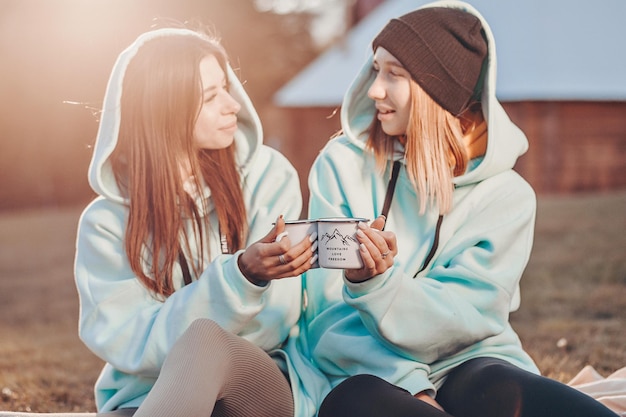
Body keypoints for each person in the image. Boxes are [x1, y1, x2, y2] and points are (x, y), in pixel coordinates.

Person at [298, 1, 620, 416]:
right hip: (361, 371)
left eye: (394, 74)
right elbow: (325, 314)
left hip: (466, 361)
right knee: (358, 399)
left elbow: (469, 318)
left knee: (499, 385)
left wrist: (382, 287)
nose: (374, 88)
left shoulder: (508, 196)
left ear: (438, 94)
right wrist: (408, 381)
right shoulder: (342, 165)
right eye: (375, 68)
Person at [74, 27, 321, 417]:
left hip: (256, 388)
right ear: (164, 108)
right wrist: (232, 282)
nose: (233, 105)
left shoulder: (267, 177)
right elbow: (125, 342)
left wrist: (245, 279)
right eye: (211, 96)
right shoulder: (105, 223)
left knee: (206, 340)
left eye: (227, 87)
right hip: (144, 400)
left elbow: (276, 319)